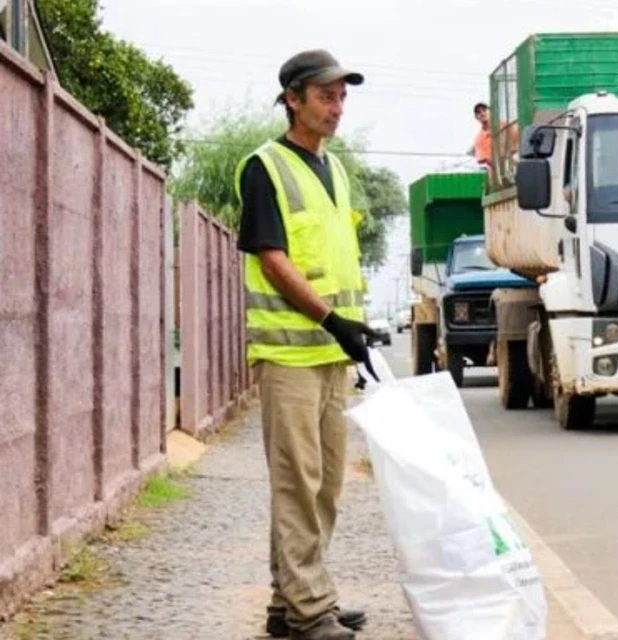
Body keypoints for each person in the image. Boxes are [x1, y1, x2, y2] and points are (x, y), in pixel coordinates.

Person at [235, 49, 379, 640]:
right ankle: (311, 608)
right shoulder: (264, 166)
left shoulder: (336, 170)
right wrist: (329, 319)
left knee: (325, 485)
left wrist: (353, 331)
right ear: (293, 99)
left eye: (342, 95)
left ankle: (289, 601)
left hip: (331, 355)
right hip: (292, 354)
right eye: (326, 95)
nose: (337, 106)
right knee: (297, 483)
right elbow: (273, 261)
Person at [472, 101, 492, 167]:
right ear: (476, 117)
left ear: (490, 112)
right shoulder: (478, 138)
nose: (482, 113)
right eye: (479, 112)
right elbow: (484, 161)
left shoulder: (504, 127)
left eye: (484, 110)